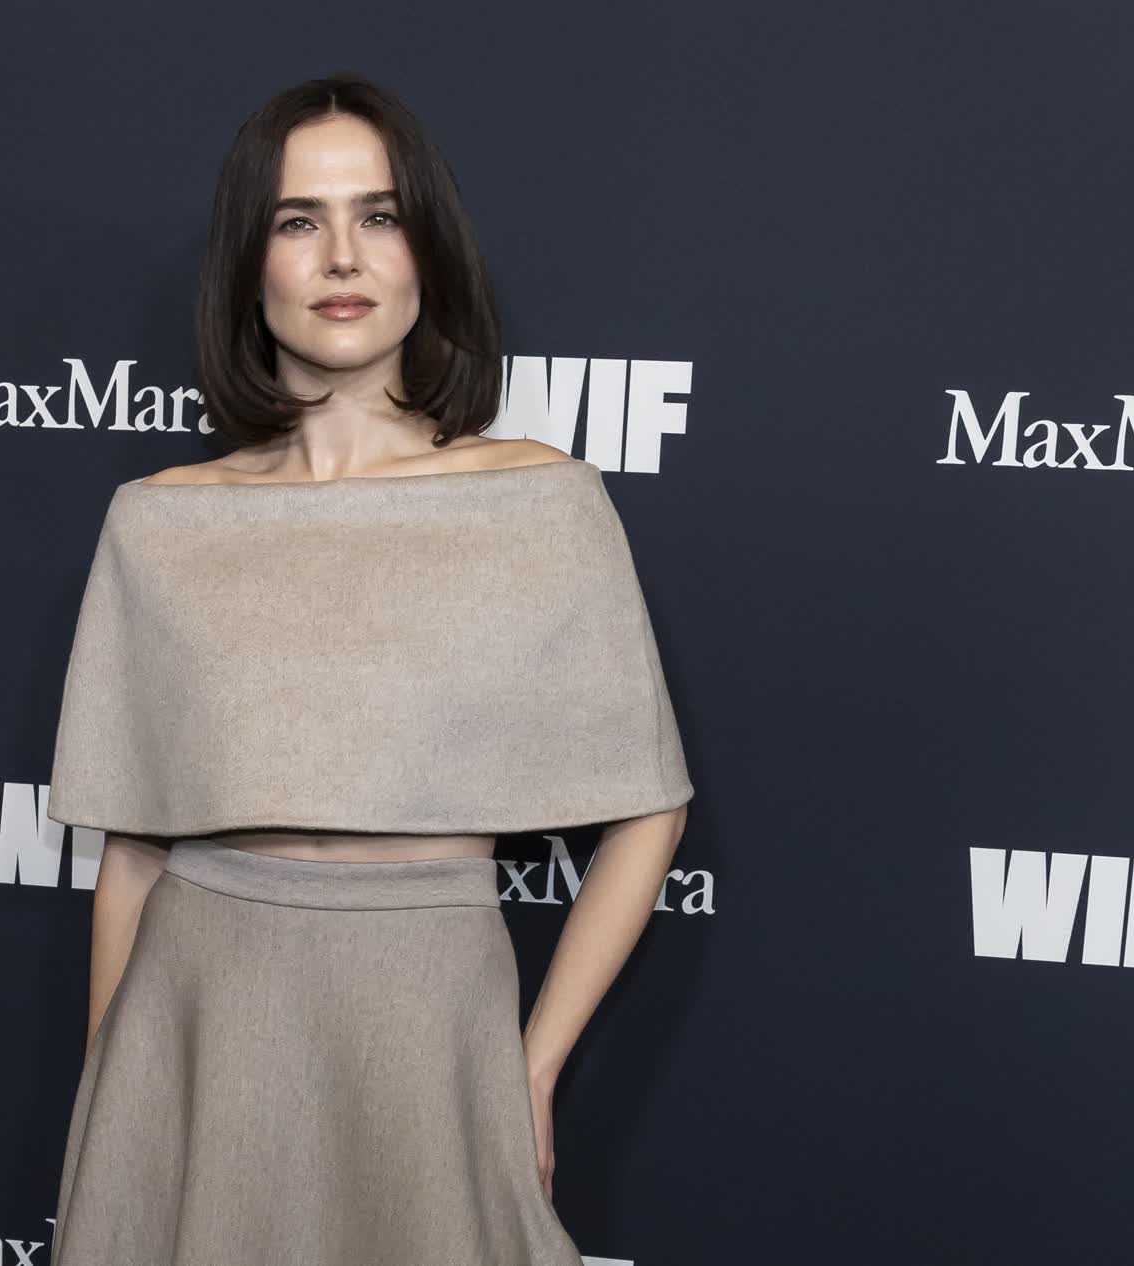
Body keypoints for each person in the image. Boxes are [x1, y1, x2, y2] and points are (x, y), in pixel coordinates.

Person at [44, 72, 693, 1265]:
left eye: (378, 216)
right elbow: (130, 854)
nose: (342, 255)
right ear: (250, 265)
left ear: (425, 251)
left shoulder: (538, 501)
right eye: (298, 220)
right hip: (196, 1017)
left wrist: (528, 1068)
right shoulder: (159, 519)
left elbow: (650, 810)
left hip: (428, 1016)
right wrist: (107, 1115)